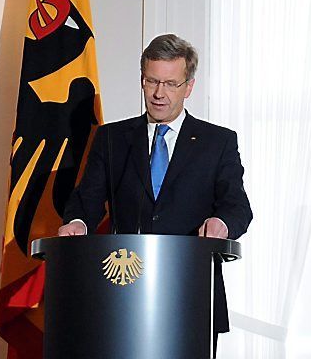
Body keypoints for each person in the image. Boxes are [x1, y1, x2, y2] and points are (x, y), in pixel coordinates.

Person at [58, 33, 252, 351]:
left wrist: (222, 224)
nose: (159, 93)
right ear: (142, 80)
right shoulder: (112, 138)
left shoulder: (217, 142)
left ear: (189, 86)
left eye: (171, 84)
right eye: (152, 82)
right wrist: (78, 222)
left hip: (191, 294)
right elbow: (87, 199)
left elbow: (237, 204)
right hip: (123, 293)